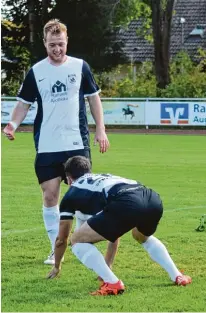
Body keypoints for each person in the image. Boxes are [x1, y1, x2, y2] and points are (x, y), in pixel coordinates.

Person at [2, 19, 110, 265]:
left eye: (61, 44)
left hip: (76, 142)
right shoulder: (36, 72)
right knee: (50, 196)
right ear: (45, 43)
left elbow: (94, 100)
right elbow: (23, 104)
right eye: (52, 45)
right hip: (48, 144)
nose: (57, 49)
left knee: (83, 195)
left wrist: (101, 130)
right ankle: (55, 247)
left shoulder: (80, 67)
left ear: (67, 41)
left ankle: (82, 241)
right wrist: (13, 124)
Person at [46, 156, 192, 295]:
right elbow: (114, 230)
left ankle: (112, 282)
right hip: (151, 198)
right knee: (141, 236)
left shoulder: (73, 192)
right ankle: (178, 276)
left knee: (76, 240)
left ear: (69, 178)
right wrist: (108, 264)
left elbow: (61, 239)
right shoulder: (104, 177)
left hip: (127, 202)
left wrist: (57, 266)